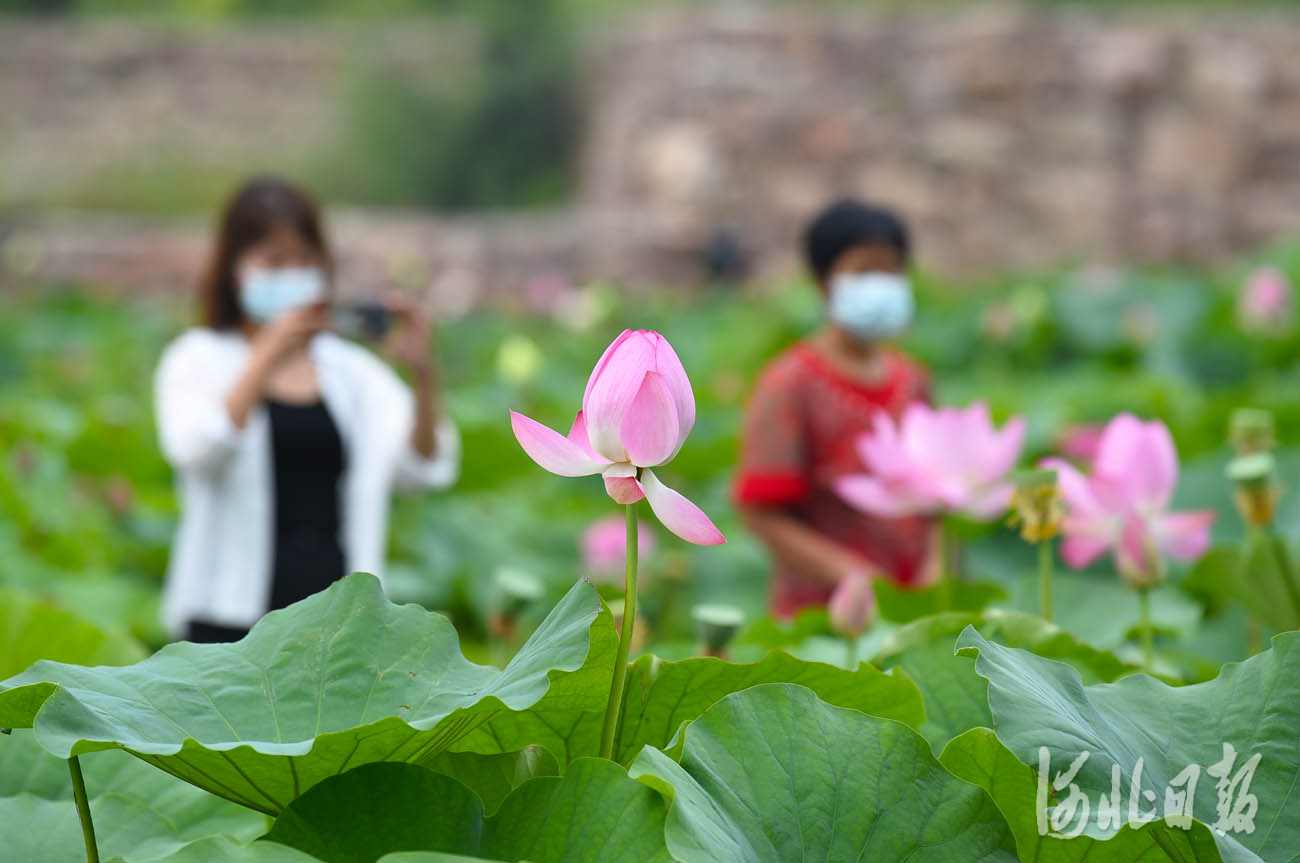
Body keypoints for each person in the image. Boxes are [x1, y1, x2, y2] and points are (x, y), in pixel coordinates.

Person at [155, 177, 460, 642]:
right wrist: (264, 358)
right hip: (225, 620)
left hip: (337, 626)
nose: (292, 275)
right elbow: (197, 452)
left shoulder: (352, 372)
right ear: (235, 269)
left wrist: (423, 376)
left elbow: (423, 468)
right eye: (274, 262)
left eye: (304, 260)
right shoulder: (197, 358)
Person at [733, 199, 939, 618]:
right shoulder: (788, 382)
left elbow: (938, 496)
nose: (882, 283)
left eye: (892, 271)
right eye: (865, 272)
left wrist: (935, 574)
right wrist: (852, 576)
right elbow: (759, 512)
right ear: (823, 282)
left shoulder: (915, 379)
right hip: (821, 613)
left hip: (917, 603)